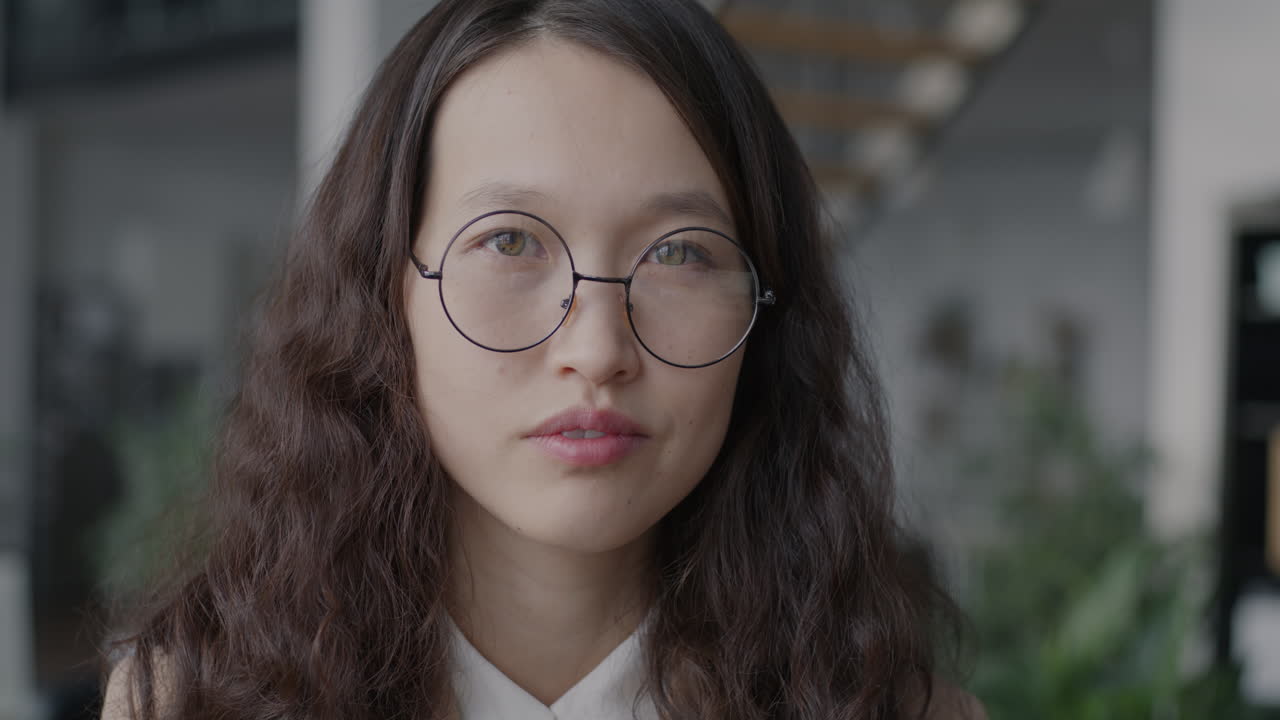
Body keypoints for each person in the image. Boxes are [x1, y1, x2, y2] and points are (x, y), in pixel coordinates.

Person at [102, 0, 982, 718]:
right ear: (380, 294)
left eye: (679, 253)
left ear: (767, 307)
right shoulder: (195, 702)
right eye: (511, 240)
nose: (598, 351)